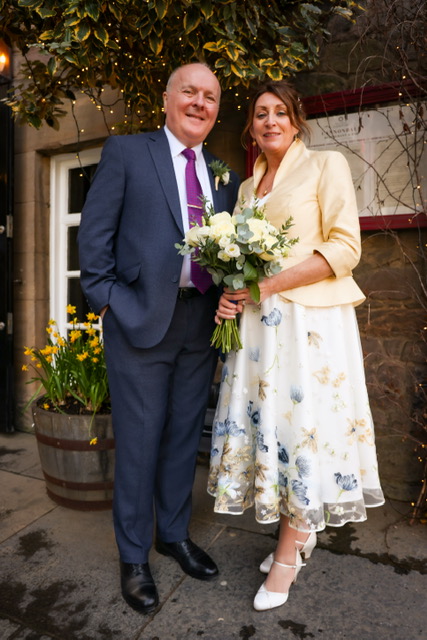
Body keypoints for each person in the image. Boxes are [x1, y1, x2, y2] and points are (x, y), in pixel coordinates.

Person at [208, 80, 385, 612]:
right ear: (251, 126)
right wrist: (230, 297)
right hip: (259, 329)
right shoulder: (246, 186)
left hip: (308, 324)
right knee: (274, 426)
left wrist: (265, 287)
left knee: (301, 428)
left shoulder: (325, 165)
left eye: (280, 112)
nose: (269, 121)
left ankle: (289, 552)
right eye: (260, 113)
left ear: (296, 120)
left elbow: (345, 248)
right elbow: (240, 263)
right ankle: (298, 532)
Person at [78, 62, 240, 614]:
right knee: (140, 444)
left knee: (179, 440)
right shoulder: (127, 152)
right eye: (190, 92)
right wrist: (111, 305)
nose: (200, 102)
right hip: (139, 325)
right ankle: (134, 557)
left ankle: (172, 535)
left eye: (210, 96)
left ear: (216, 109)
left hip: (200, 325)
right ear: (168, 100)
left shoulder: (224, 175)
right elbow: (94, 245)